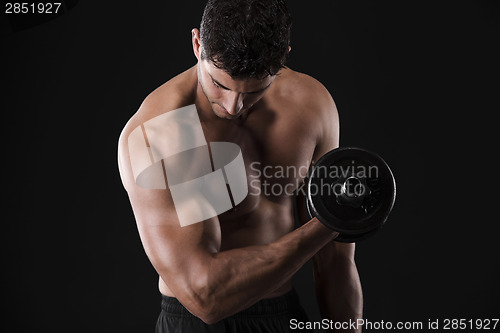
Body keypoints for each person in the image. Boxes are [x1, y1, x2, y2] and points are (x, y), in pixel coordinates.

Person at [118, 0, 363, 331]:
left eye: (254, 91)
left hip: (281, 315)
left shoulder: (312, 104)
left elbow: (335, 261)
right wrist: (329, 222)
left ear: (282, 57)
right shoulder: (163, 129)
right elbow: (205, 295)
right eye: (219, 84)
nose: (234, 106)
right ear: (196, 44)